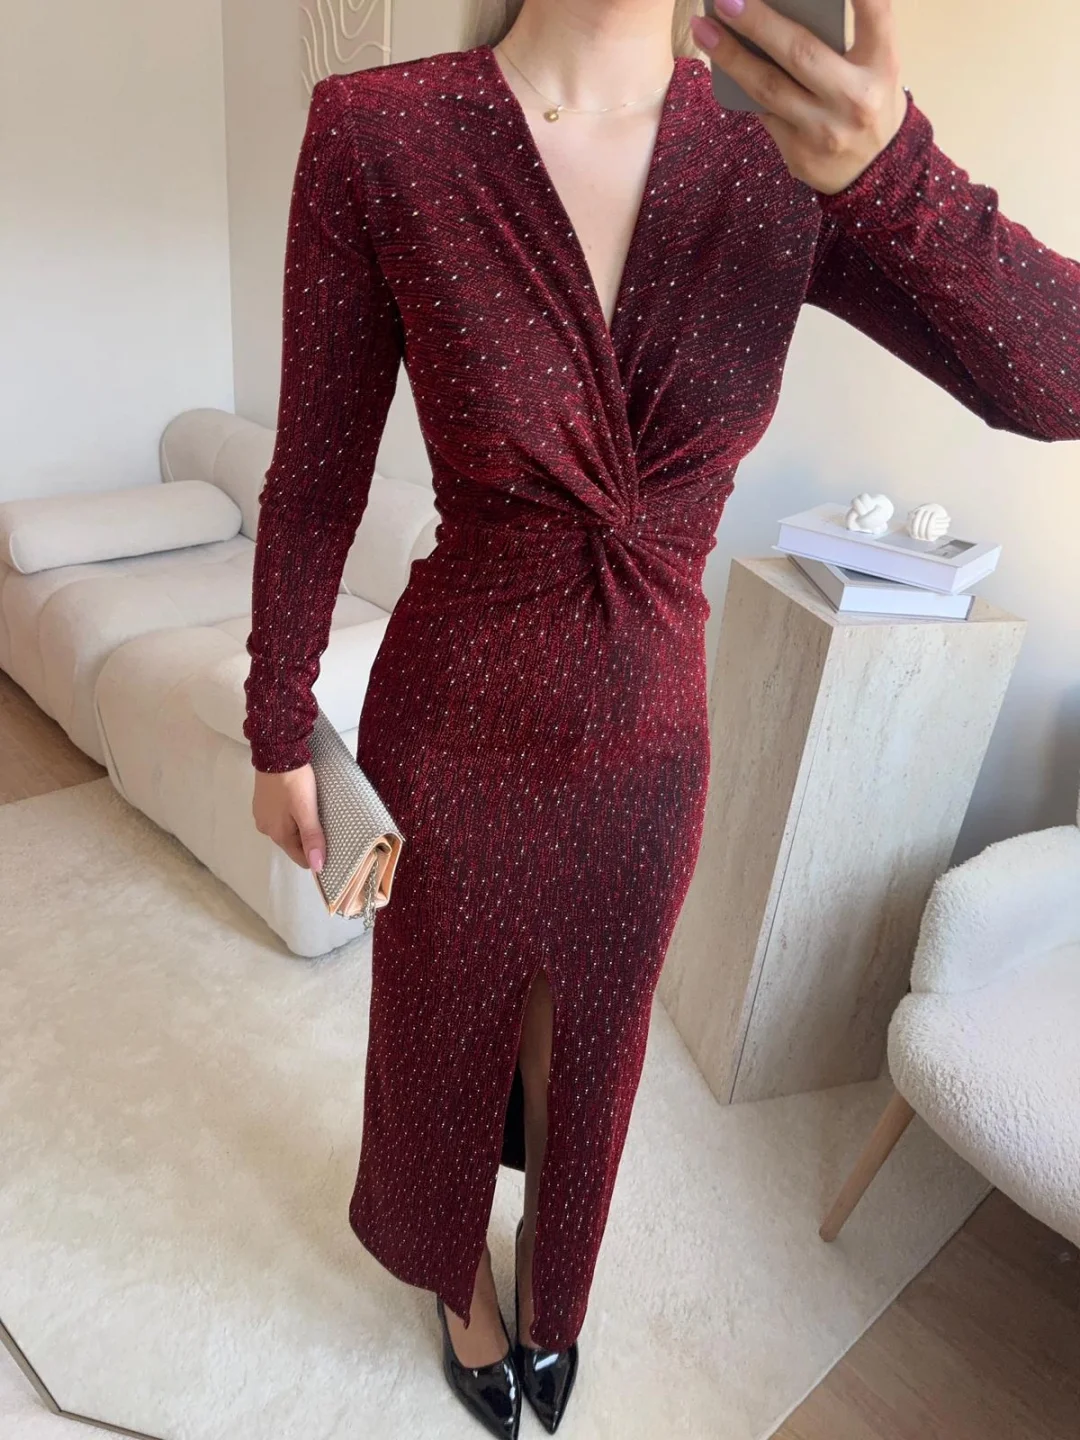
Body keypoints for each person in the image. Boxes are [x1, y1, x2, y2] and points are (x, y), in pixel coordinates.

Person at [243, 0, 1080, 1435]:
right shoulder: (382, 134)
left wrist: (894, 170)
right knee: (440, 1031)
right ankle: (456, 1279)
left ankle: (554, 1284)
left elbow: (1059, 381)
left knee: (593, 1048)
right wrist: (277, 721)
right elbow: (315, 469)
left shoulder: (785, 159)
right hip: (455, 721)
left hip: (647, 744)